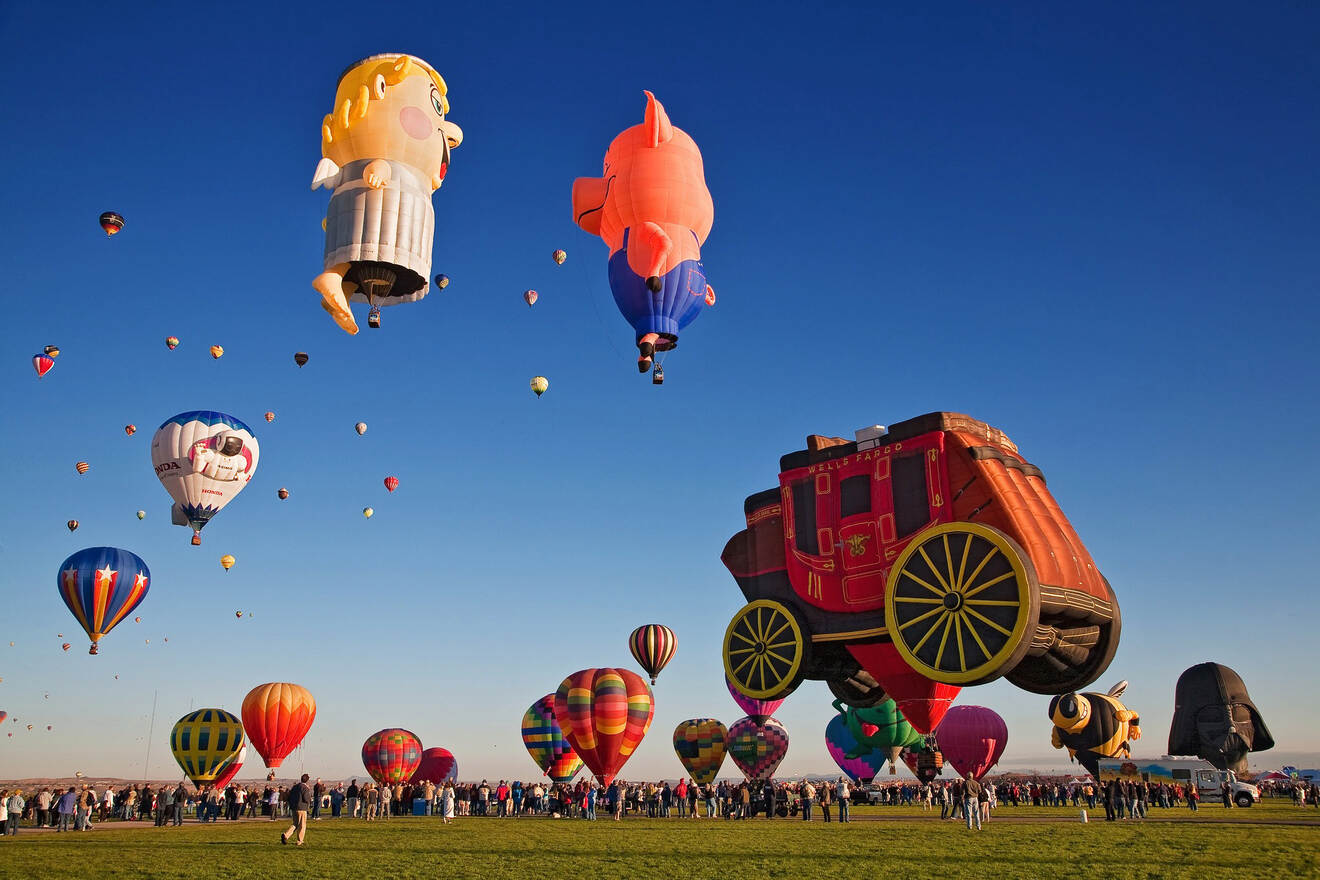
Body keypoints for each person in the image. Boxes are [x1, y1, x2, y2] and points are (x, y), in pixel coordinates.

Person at [281, 773, 314, 846]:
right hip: (302, 808)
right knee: (302, 825)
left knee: (295, 824)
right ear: (307, 780)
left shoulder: (295, 787)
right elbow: (306, 798)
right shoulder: (304, 788)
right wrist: (309, 801)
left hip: (294, 808)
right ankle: (300, 840)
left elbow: (290, 796)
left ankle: (286, 835)